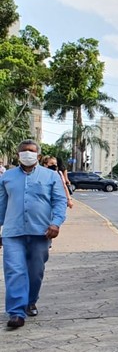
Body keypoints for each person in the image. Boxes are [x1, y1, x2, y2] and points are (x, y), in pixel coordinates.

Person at [0, 140, 68, 329]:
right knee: (14, 270)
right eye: (24, 151)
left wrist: (56, 223)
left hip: (41, 232)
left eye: (31, 151)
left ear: (38, 156)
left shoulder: (51, 176)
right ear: (17, 155)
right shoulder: (7, 177)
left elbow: (59, 201)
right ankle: (16, 312)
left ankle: (30, 301)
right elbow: (1, 205)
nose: (27, 154)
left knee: (35, 271)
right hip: (13, 232)